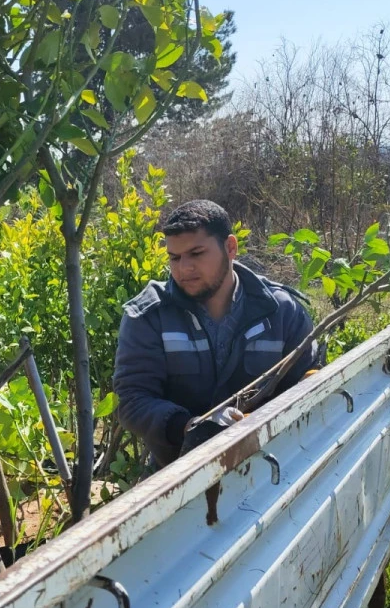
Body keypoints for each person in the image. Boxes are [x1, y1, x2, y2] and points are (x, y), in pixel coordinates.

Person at [113, 200, 322, 468]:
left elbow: (309, 380)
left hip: (272, 471)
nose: (183, 268)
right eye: (174, 257)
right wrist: (190, 428)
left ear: (230, 247)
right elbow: (132, 400)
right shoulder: (149, 316)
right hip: (177, 479)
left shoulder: (281, 311)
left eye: (196, 253)